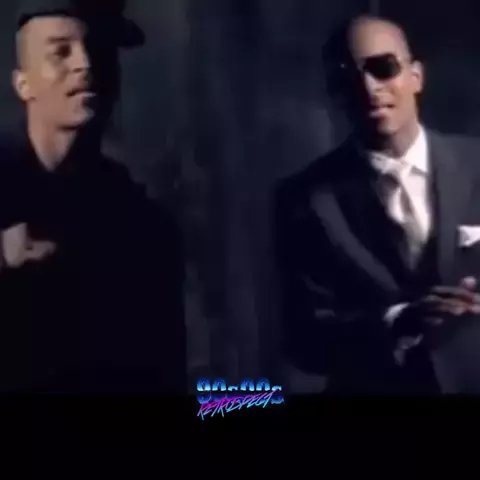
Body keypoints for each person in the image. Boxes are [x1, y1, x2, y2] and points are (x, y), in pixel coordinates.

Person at [276, 14, 480, 394]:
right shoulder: (301, 200)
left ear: (416, 76)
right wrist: (396, 322)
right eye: (347, 76)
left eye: (383, 67)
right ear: (334, 92)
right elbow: (302, 340)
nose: (369, 87)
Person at [0, 0, 186, 393]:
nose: (85, 64)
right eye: (60, 51)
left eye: (99, 50)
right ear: (23, 84)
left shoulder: (140, 222)